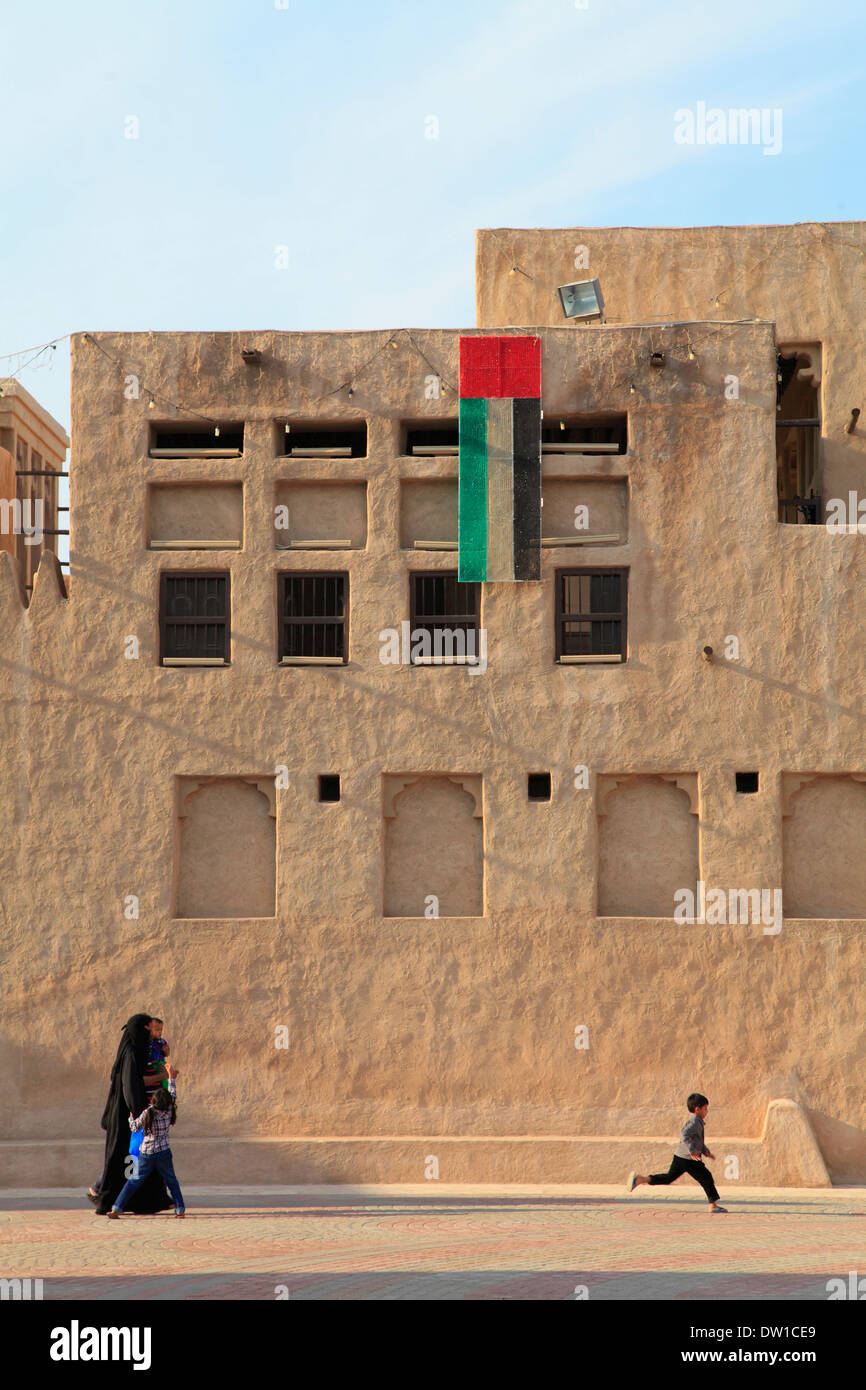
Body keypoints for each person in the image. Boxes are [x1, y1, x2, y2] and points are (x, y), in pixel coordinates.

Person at [89, 1013, 174, 1216]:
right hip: (127, 1117)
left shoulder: (136, 1051)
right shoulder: (131, 1053)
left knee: (138, 1158)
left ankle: (146, 1201)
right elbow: (131, 1085)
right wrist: (138, 1113)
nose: (150, 1035)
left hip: (132, 1115)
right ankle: (110, 1197)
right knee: (127, 1159)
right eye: (147, 1029)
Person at [627, 1092, 728, 1213]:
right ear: (697, 1109)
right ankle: (713, 1205)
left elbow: (696, 1139)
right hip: (689, 1158)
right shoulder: (695, 1121)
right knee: (706, 1177)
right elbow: (684, 1135)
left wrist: (705, 1151)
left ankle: (640, 1179)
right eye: (705, 1108)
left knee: (668, 1178)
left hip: (680, 1156)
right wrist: (692, 1151)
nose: (707, 1111)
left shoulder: (696, 1120)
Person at [109, 1064, 184, 1219]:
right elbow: (173, 1094)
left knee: (133, 1181)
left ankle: (117, 1208)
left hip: (147, 1153)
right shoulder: (170, 1110)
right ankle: (180, 1209)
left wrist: (130, 1118)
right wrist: (171, 1077)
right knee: (172, 1181)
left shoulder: (148, 1112)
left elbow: (135, 1128)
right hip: (164, 1152)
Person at [144, 1017, 171, 1097]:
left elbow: (167, 1054)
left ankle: (165, 1093)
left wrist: (166, 1051)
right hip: (151, 1065)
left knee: (165, 1081)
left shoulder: (161, 1041)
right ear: (149, 1029)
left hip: (160, 1063)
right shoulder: (146, 1042)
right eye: (157, 1030)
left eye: (161, 1030)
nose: (160, 1032)